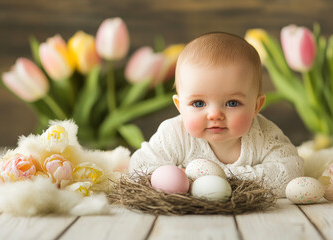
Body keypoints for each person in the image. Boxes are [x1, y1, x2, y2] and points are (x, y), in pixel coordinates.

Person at [129, 32, 303, 197]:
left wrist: (220, 178)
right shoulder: (175, 134)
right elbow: (140, 167)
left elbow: (290, 171)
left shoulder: (263, 135)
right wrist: (179, 178)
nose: (215, 115)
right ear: (179, 105)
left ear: (256, 106)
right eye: (198, 103)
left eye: (232, 103)